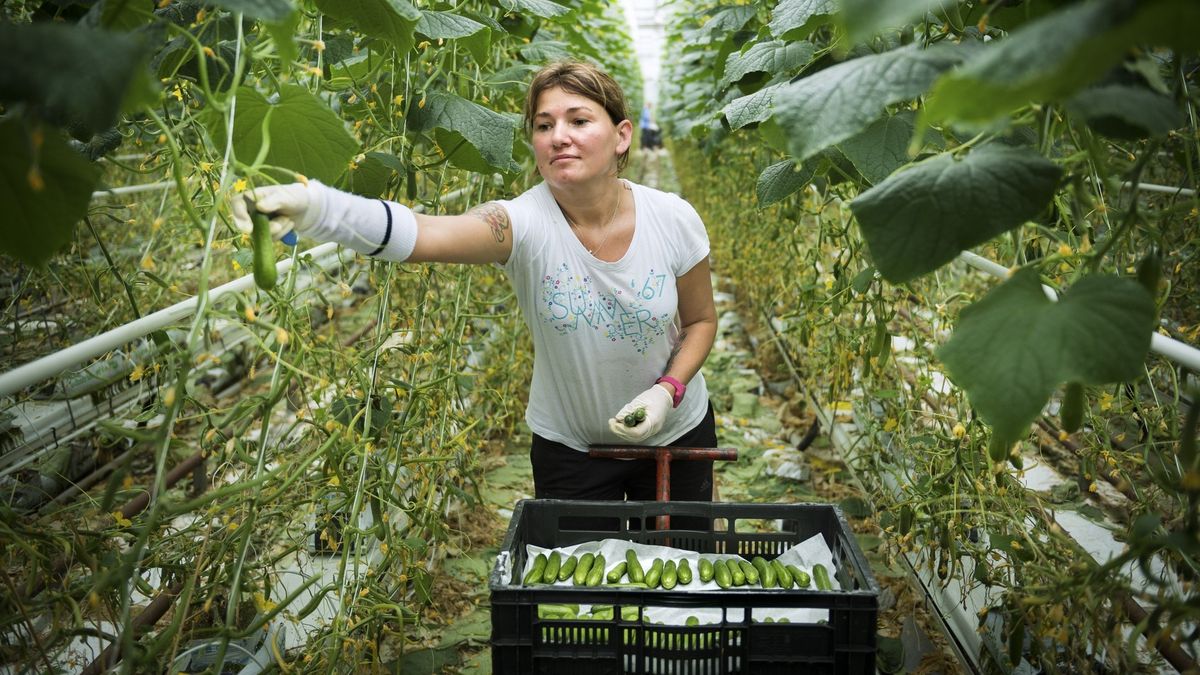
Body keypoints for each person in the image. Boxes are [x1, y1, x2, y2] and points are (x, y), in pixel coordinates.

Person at [231, 62, 717, 526]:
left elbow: (700, 322)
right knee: (578, 579)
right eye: (543, 125)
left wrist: (667, 391)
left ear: (622, 135)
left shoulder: (671, 218)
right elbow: (424, 233)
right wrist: (317, 207)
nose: (558, 136)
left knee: (681, 571)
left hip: (676, 434)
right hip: (573, 449)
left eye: (579, 120)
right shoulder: (522, 223)